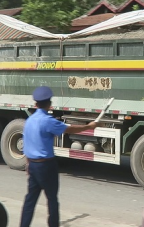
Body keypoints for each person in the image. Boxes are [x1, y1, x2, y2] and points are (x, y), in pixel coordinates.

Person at [20, 86, 99, 227]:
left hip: (32, 165)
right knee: (52, 200)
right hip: (46, 166)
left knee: (30, 200)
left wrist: (28, 164)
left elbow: (27, 144)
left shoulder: (29, 120)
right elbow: (69, 129)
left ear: (35, 104)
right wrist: (89, 126)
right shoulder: (48, 121)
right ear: (49, 104)